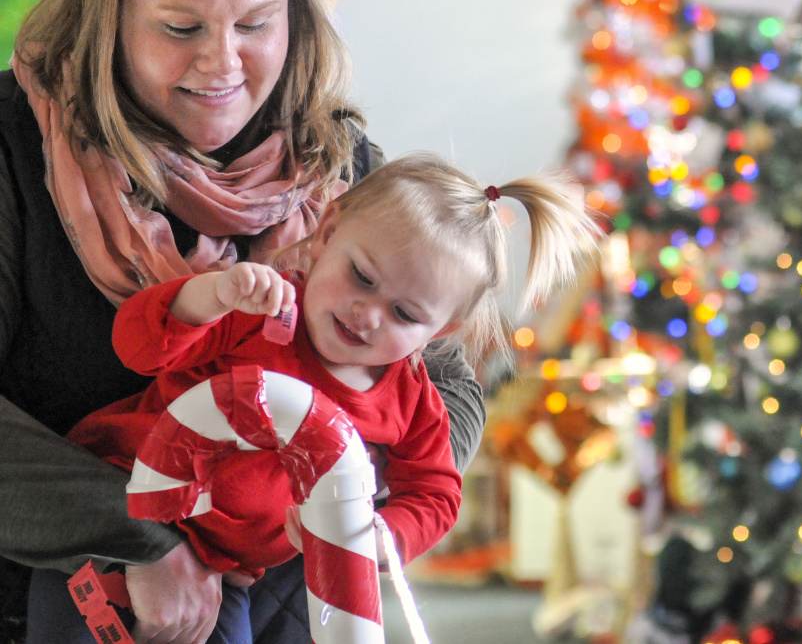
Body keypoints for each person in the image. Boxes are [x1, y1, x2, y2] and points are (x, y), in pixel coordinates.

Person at [0, 0, 485, 644]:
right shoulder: (16, 148)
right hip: (59, 597)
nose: (222, 62)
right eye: (180, 28)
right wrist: (142, 532)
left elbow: (444, 385)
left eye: (256, 25)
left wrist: (337, 506)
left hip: (286, 590)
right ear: (107, 19)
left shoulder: (337, 167)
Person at [29, 152, 601, 643]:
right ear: (327, 232)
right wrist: (207, 298)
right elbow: (138, 347)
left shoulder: (410, 403)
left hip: (228, 571)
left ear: (441, 333)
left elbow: (436, 493)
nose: (367, 313)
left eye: (404, 314)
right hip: (118, 520)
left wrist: (389, 533)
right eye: (361, 277)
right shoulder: (265, 312)